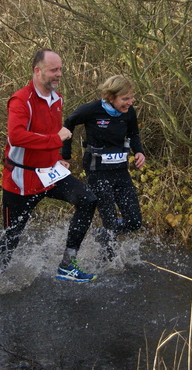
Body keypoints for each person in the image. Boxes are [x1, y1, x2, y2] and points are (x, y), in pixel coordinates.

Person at [0, 48, 99, 283]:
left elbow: (54, 133)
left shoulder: (57, 99)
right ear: (37, 71)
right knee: (11, 237)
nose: (59, 74)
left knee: (88, 200)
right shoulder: (21, 100)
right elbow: (17, 136)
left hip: (49, 174)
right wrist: (55, 141)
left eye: (60, 69)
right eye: (54, 70)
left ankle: (67, 264)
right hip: (20, 179)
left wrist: (58, 157)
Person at [61, 74, 146, 260]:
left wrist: (139, 152)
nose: (130, 102)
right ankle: (108, 264)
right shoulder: (92, 110)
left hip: (121, 172)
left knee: (134, 221)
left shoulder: (129, 112)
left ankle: (101, 236)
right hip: (97, 173)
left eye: (132, 98)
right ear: (111, 97)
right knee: (110, 221)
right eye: (125, 99)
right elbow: (68, 123)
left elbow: (134, 134)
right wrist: (65, 155)